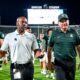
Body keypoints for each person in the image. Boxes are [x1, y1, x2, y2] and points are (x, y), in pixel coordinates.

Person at [48, 13, 80, 80]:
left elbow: (78, 47)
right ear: (58, 23)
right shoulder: (54, 33)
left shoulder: (74, 32)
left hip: (72, 62)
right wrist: (49, 62)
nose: (64, 23)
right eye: (62, 21)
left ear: (68, 21)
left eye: (66, 21)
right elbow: (49, 49)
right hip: (59, 63)